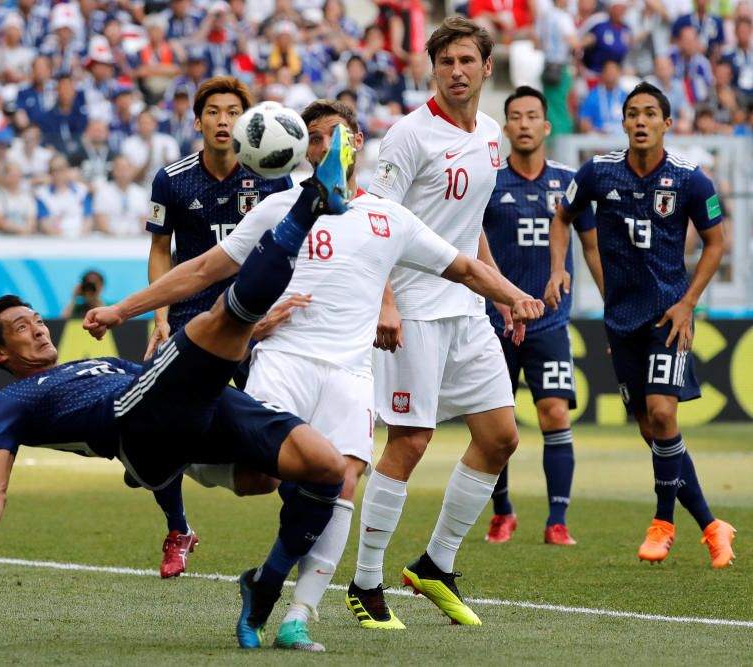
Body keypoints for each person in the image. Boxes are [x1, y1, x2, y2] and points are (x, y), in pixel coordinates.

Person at [88, 101, 545, 651]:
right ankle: (175, 460)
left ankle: (297, 613)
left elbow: (466, 266)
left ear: (357, 144)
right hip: (285, 361)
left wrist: (515, 296)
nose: (327, 146)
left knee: (342, 481)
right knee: (264, 478)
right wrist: (122, 309)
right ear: (304, 149)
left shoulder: (389, 217)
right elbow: (203, 269)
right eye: (318, 138)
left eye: (338, 136)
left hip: (351, 374)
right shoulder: (280, 208)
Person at [0, 128, 355, 651]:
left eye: (36, 318)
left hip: (174, 405)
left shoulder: (98, 359)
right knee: (220, 316)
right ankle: (309, 204)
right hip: (134, 423)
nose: (39, 327)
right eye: (22, 328)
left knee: (325, 469)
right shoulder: (11, 401)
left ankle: (264, 586)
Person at [348, 16, 513, 629]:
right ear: (433, 69)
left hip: (467, 311)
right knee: (411, 442)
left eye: (468, 60)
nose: (457, 71)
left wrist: (499, 295)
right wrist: (385, 302)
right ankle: (364, 583)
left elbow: (468, 233)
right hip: (412, 308)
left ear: (486, 67)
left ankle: (435, 565)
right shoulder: (408, 137)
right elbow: (376, 225)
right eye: (446, 62)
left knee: (500, 437)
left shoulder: (492, 135)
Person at [545, 82, 736, 568]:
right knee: (653, 432)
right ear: (624, 122)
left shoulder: (691, 180)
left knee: (664, 414)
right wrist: (557, 268)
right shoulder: (599, 171)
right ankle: (713, 526)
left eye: (651, 113)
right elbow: (561, 216)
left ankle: (663, 522)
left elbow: (717, 243)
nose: (641, 121)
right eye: (633, 113)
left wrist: (689, 303)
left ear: (668, 124)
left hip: (669, 316)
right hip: (621, 320)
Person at [142, 75, 290, 577]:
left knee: (281, 435)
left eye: (233, 112)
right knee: (157, 428)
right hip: (190, 322)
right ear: (198, 120)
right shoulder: (172, 179)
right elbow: (160, 252)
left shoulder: (273, 175)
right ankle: (178, 528)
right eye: (213, 112)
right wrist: (159, 317)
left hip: (254, 322)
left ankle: (299, 530)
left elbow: (293, 247)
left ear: (246, 121)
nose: (223, 120)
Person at [480, 87, 601, 546]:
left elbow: (590, 248)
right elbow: (472, 245)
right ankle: (503, 511)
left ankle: (557, 521)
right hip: (497, 324)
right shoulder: (488, 182)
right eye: (516, 117)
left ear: (547, 126)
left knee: (553, 413)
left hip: (549, 322)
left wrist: (612, 309)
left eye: (533, 116)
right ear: (507, 127)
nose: (525, 123)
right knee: (498, 425)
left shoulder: (571, 183)